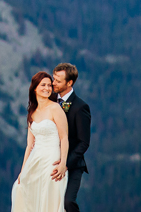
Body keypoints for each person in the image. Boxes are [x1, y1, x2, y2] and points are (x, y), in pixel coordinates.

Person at [12, 71, 69, 212]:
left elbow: (64, 137)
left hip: (52, 159)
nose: (47, 88)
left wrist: (63, 163)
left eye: (50, 85)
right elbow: (29, 145)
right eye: (43, 85)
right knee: (22, 188)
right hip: (36, 159)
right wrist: (23, 169)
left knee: (49, 196)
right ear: (35, 88)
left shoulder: (55, 108)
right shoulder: (32, 112)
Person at [50, 63, 90, 212]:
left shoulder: (80, 107)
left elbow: (84, 142)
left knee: (67, 202)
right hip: (50, 161)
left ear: (69, 83)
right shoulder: (50, 101)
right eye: (53, 79)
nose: (53, 83)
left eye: (58, 81)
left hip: (72, 165)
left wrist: (65, 164)